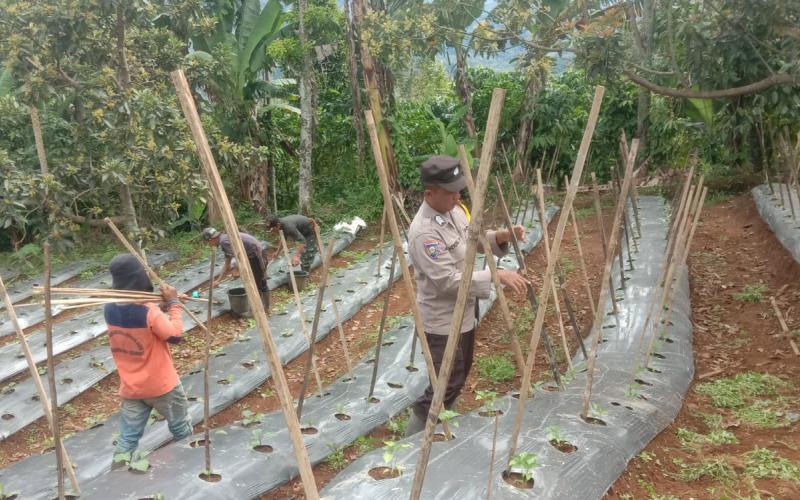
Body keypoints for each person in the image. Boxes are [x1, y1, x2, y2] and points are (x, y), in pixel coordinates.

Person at [404, 155, 528, 436]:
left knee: (457, 376)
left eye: (459, 189)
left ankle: (443, 428)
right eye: (451, 192)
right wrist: (497, 275)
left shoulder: (455, 210)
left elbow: (472, 239)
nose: (458, 196)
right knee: (444, 384)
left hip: (465, 314)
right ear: (429, 193)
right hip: (443, 321)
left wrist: (501, 236)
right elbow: (447, 281)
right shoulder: (424, 234)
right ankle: (408, 445)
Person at [104, 254, 191, 467]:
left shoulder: (109, 308)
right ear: (139, 278)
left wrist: (164, 305)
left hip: (133, 388)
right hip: (162, 386)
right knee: (181, 429)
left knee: (127, 438)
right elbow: (175, 336)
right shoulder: (149, 312)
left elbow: (139, 318)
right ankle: (190, 465)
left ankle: (115, 478)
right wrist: (174, 305)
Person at [201, 227, 270, 300]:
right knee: (258, 282)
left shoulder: (224, 242)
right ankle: (263, 306)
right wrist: (218, 280)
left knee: (258, 284)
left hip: (256, 256)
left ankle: (262, 308)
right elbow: (227, 263)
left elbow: (239, 256)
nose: (210, 245)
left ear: (211, 239)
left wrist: (237, 270)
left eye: (208, 243)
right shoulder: (225, 238)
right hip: (256, 254)